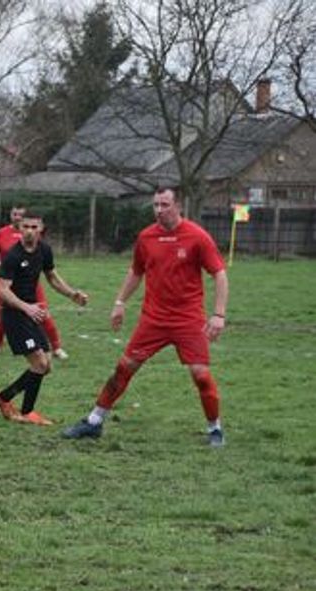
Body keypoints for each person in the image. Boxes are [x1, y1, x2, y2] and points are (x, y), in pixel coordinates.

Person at [63, 186, 230, 447]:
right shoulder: (146, 237)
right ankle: (94, 422)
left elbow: (219, 274)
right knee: (123, 368)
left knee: (201, 375)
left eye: (165, 205)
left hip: (188, 320)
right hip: (153, 320)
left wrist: (218, 314)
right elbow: (136, 271)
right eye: (155, 205)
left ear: (178, 207)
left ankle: (215, 429)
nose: (159, 210)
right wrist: (119, 302)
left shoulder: (197, 236)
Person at [0, 209, 89, 425]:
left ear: (41, 229)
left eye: (34, 227)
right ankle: (27, 412)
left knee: (46, 365)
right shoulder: (13, 256)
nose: (30, 231)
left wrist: (73, 294)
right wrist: (27, 307)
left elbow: (51, 276)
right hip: (15, 315)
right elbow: (3, 290)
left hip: (30, 314)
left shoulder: (44, 250)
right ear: (19, 228)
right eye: (26, 227)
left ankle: (4, 397)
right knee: (40, 364)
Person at [0, 205, 69, 359]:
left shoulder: (38, 241)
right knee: (2, 316)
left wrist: (71, 293)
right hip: (8, 282)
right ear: (14, 219)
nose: (17, 216)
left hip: (31, 282)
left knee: (43, 313)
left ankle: (56, 347)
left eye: (20, 214)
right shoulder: (2, 234)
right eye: (15, 214)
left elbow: (48, 269)